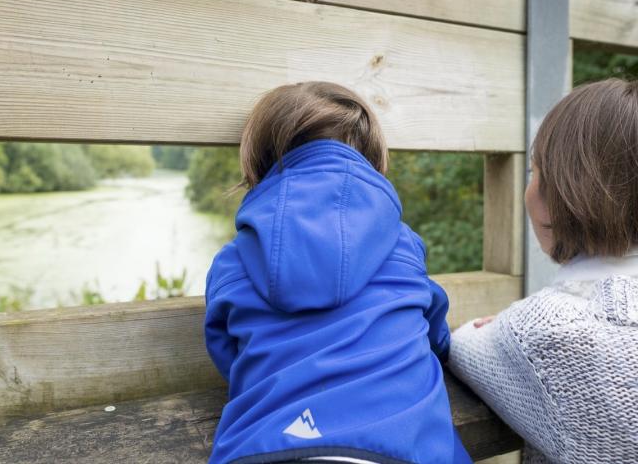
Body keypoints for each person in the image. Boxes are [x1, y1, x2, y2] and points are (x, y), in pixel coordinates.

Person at [204, 81, 471, 464]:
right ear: (372, 159)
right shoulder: (402, 245)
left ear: (257, 162)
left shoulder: (232, 261)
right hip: (401, 449)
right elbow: (433, 329)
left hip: (266, 447)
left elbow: (228, 354)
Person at [449, 79, 638, 463]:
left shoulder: (550, 331)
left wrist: (508, 326)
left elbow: (462, 346)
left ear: (564, 192)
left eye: (535, 172)